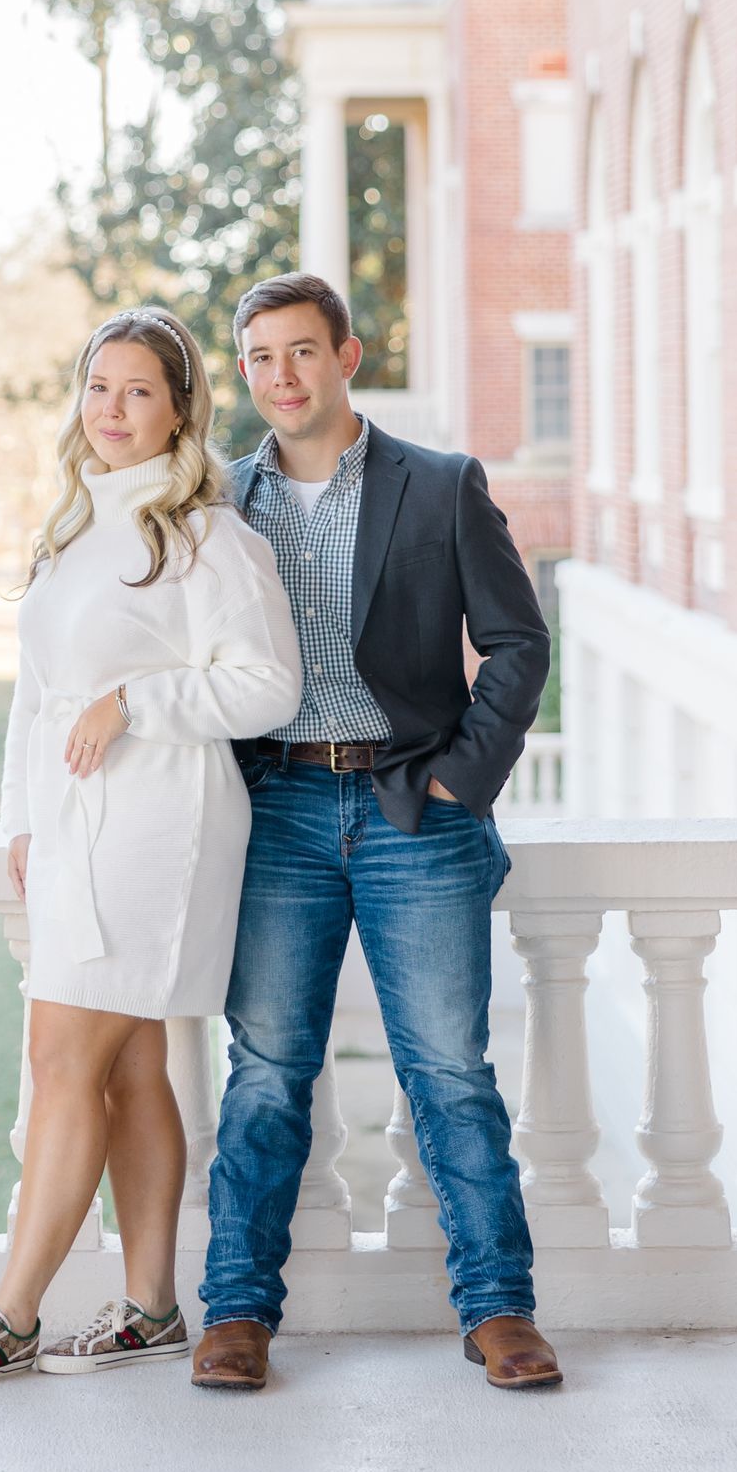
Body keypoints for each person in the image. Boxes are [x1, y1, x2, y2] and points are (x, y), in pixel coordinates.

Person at [0, 306, 302, 1391]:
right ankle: (152, 1308)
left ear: (179, 410)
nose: (112, 410)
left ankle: (11, 1315)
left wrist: (137, 702)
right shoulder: (75, 526)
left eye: (138, 391)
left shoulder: (207, 535)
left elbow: (270, 686)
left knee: (64, 1060)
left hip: (161, 822)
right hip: (73, 827)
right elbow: (36, 698)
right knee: (126, 1066)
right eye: (97, 387)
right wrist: (18, 820)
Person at [193, 273, 561, 1394]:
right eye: (259, 358)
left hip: (416, 809)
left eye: (301, 352)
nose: (281, 377)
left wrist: (462, 778)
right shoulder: (219, 503)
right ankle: (237, 1313)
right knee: (265, 1072)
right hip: (277, 815)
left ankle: (499, 1307)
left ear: (348, 356)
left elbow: (518, 642)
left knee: (451, 1069)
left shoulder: (442, 486)